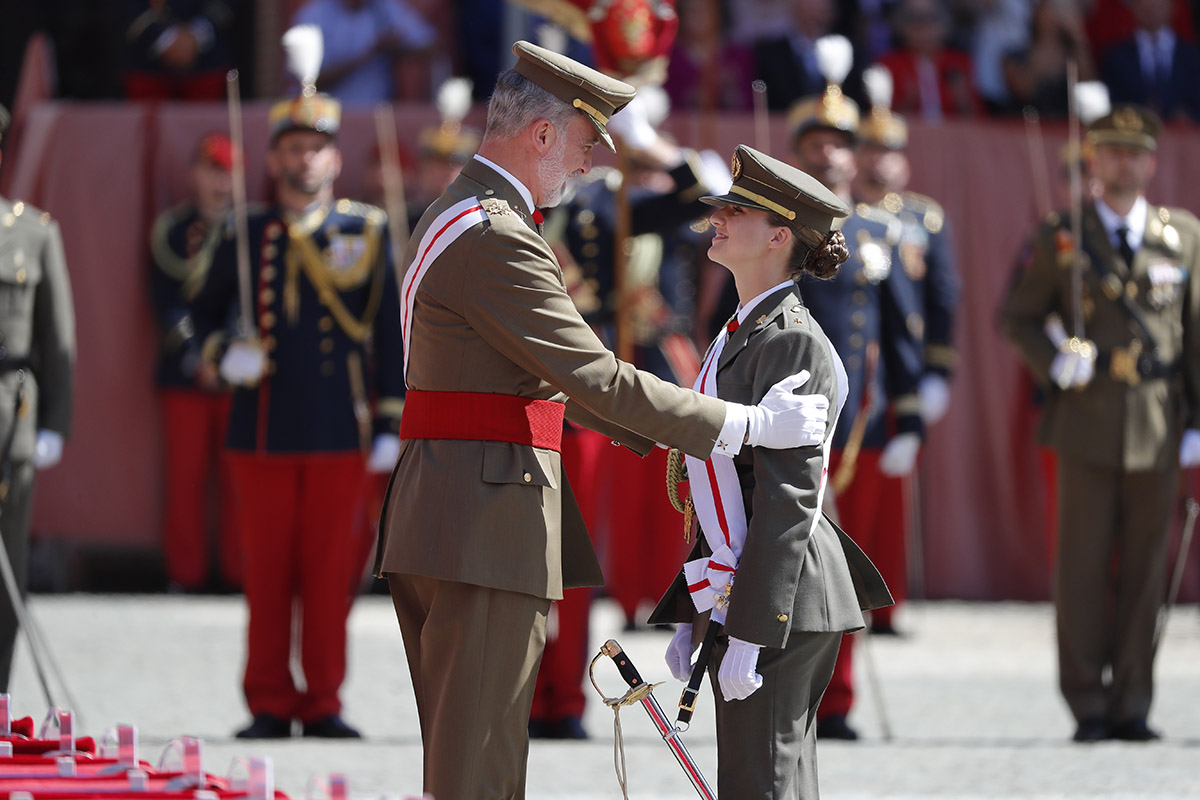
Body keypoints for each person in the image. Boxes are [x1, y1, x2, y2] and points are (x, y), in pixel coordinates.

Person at [373, 40, 833, 799]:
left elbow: (563, 389)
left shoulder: (456, 212)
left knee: (462, 753)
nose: (588, 165)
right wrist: (745, 426)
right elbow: (593, 377)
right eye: (585, 143)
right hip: (483, 519)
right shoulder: (499, 237)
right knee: (478, 768)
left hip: (449, 504)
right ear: (543, 135)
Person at [648, 144, 891, 799]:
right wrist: (693, 610)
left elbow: (785, 498)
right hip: (761, 591)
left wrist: (751, 628)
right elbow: (720, 482)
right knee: (770, 780)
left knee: (764, 783)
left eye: (738, 210)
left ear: (779, 236)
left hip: (782, 600)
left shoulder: (789, 339)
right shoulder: (743, 330)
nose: (717, 218)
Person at [188, 61, 405, 739]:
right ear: (275, 157)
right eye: (292, 148)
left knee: (331, 577)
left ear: (333, 158)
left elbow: (386, 336)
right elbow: (194, 321)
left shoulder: (366, 232)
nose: (303, 158)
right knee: (267, 577)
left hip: (340, 427)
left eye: (315, 148)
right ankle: (269, 701)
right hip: (261, 428)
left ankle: (324, 701)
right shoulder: (245, 232)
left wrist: (392, 421)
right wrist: (226, 355)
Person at [1002, 105, 1200, 743]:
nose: (1123, 163)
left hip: (1159, 421)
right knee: (1082, 568)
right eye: (1110, 152)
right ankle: (1088, 701)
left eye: (1134, 152)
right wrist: (1055, 357)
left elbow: (1194, 334)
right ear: (1093, 161)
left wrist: (1197, 418)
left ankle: (1134, 703)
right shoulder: (1063, 236)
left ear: (1152, 162)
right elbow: (1019, 316)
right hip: (1085, 422)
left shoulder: (1184, 238)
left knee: (1146, 570)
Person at [784, 83, 926, 739]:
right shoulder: (773, 229)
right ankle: (787, 694)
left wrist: (912, 418)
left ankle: (837, 701)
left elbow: (900, 335)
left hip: (858, 431)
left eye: (838, 146)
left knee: (846, 567)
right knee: (784, 567)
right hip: (783, 422)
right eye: (814, 147)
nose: (828, 157)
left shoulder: (874, 232)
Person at [854, 77, 962, 632]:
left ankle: (889, 603)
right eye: (872, 149)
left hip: (906, 369)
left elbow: (944, 297)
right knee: (856, 486)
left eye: (891, 150)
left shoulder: (923, 219)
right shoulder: (841, 217)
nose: (882, 160)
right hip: (855, 368)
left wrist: (938, 371)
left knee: (895, 490)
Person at [0, 102, 75, 691]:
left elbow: (58, 337)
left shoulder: (32, 231)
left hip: (10, 414)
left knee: (7, 565)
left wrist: (56, 420)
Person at [149, 132, 240, 593]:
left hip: (237, 374)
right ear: (194, 175)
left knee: (240, 482)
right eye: (212, 172)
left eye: (228, 173)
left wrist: (224, 358)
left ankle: (239, 573)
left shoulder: (253, 229)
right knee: (183, 480)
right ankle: (184, 574)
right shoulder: (171, 231)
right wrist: (195, 358)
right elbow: (166, 303)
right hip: (184, 374)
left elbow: (246, 305)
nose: (221, 183)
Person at [291, 0, 437, 105]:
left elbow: (431, 47)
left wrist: (396, 48)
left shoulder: (385, 7)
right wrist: (368, 53)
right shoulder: (315, 14)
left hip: (377, 116)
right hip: (324, 117)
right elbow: (309, 82)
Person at [877, 0, 984, 119]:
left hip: (954, 134)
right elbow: (881, 118)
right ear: (903, 27)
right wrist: (905, 103)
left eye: (932, 21)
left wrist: (963, 99)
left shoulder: (960, 63)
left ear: (944, 25)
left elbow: (978, 116)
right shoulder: (889, 65)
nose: (924, 31)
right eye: (916, 23)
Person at [1101, 0, 1200, 122]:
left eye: (1158, 6)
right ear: (1133, 9)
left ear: (1172, 7)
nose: (1152, 12)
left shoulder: (1193, 56)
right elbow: (1114, 106)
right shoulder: (1115, 57)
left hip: (1185, 135)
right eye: (1145, 7)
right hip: (1134, 134)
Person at [123, 0, 237, 101]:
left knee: (208, 123)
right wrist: (161, 37)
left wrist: (197, 34)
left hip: (209, 64)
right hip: (146, 66)